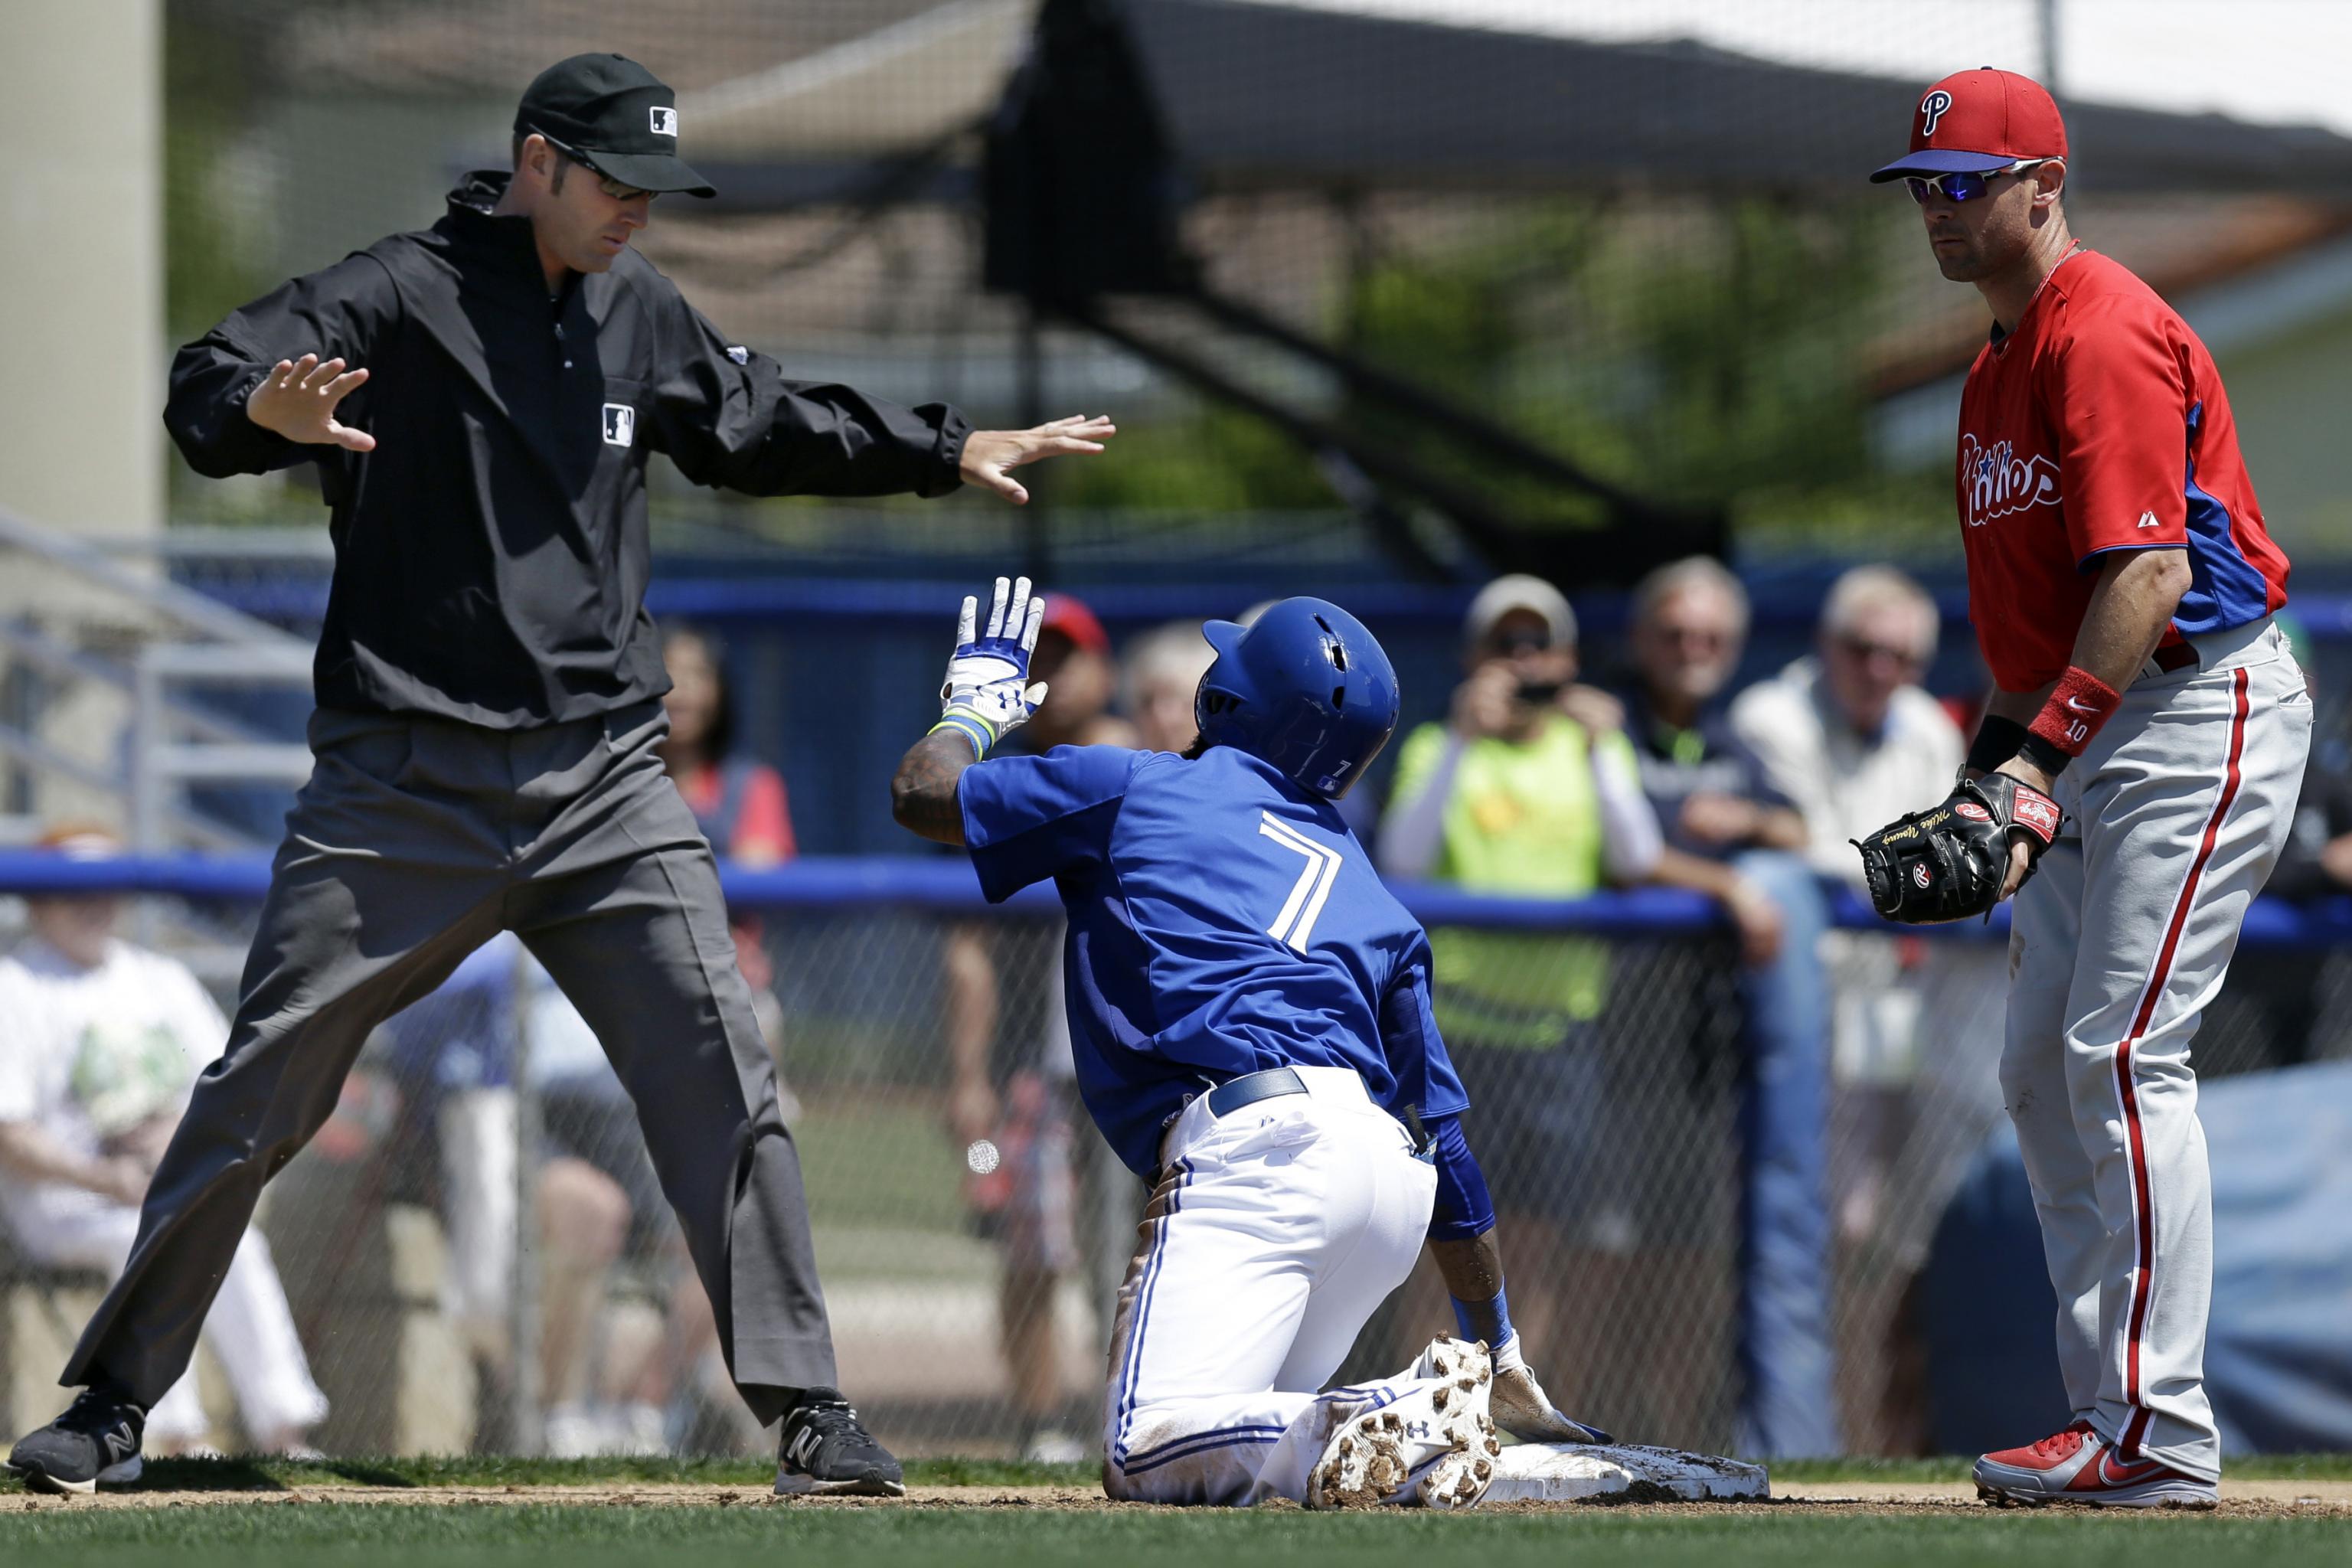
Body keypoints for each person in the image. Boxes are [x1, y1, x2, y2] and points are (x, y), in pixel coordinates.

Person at [4, 54, 1112, 1497]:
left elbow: (757, 415)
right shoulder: (396, 291)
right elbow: (207, 381)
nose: (637, 212)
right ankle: (109, 1399)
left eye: (653, 190)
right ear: (537, 159)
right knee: (260, 1081)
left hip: (605, 782)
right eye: (614, 183)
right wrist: (254, 425)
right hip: (405, 784)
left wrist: (946, 443)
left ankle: (809, 1414)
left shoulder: (635, 304)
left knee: (725, 1076)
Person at [891, 578, 1609, 1507]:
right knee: (1245, 1459)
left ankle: (1406, 1411)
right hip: (1387, 1186)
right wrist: (1496, 1338)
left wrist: (972, 712)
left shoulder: (1136, 782)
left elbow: (922, 794)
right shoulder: (1371, 888)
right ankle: (1498, 1458)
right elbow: (1452, 1151)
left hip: (1258, 1154)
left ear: (1229, 697)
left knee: (1142, 1445)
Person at [1866, 69, 2305, 1507]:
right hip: (2092, 716)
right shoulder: (1991, 370)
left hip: (2193, 700)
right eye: (1923, 183)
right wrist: (1976, 792)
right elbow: (2023, 644)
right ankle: (2105, 1410)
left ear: (2042, 182)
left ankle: (2158, 1429)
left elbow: (2151, 574)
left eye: (1966, 180)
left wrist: (2032, 771)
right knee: (2036, 1073)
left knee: (2117, 1054)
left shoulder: (2096, 327)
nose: (1939, 204)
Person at [1374, 575, 1663, 1389]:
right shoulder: (1440, 746)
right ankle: (1428, 1405)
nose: (1526, 660)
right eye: (1508, 645)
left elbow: (1637, 857)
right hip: (1459, 1038)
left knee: (1538, 1248)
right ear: (1475, 659)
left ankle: (1519, 1410)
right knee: (1440, 1242)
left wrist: (1609, 746)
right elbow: (1403, 854)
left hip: (1559, 1038)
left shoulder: (1587, 747)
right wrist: (1466, 736)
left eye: (1541, 645)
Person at [0, 831, 328, 1472]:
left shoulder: (157, 976)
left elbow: (221, 1088)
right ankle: (168, 1436)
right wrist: (103, 1176)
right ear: (39, 902)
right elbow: (9, 1130)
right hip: (67, 1202)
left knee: (232, 1239)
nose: (95, 906)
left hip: (160, 1188)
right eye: (74, 893)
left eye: (106, 891)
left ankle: (284, 1429)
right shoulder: (14, 983)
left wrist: (172, 1137)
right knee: (141, 1236)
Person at [1616, 557, 1840, 1459]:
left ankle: (1677, 1455)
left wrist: (1741, 828)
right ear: (1642, 638)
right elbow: (1618, 850)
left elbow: (1794, 826)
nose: (1691, 649)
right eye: (1674, 632)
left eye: (1710, 635)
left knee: (1689, 1268)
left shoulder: (1731, 737)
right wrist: (1727, 886)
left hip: (1701, 1056)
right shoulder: (1608, 724)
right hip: (1609, 1039)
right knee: (1603, 1264)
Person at [937, 593, 1135, 1461]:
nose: (1052, 675)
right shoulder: (999, 784)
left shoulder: (1148, 766)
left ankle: (1135, 1415)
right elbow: (968, 950)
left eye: (1070, 654)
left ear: (1106, 668)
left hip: (1138, 1063)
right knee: (1032, 1249)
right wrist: (968, 1076)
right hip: (1036, 1066)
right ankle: (1041, 1420)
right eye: (1037, 656)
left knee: (1138, 1253)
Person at [1730, 565, 1963, 884]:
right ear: (1824, 641)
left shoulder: (1931, 727)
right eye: (1862, 649)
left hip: (1901, 921)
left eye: (1900, 655)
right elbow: (1811, 853)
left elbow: (1947, 848)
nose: (1879, 670)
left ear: (1920, 667)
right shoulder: (1768, 719)